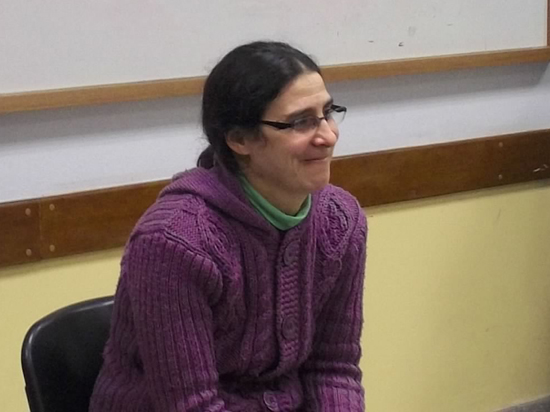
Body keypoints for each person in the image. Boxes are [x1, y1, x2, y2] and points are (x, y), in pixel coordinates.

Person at [90, 41, 367, 412]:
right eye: (301, 122)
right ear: (239, 139)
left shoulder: (341, 220)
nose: (328, 136)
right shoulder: (174, 241)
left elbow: (333, 368)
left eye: (327, 113)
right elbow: (191, 405)